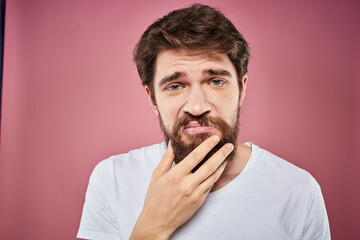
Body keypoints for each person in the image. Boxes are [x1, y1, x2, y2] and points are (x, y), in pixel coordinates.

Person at [77, 4, 330, 240]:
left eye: (216, 81)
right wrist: (153, 226)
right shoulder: (111, 179)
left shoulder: (299, 191)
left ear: (241, 89)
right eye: (175, 86)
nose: (197, 107)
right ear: (152, 99)